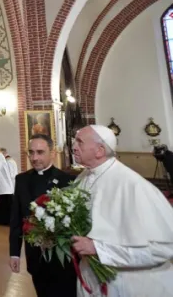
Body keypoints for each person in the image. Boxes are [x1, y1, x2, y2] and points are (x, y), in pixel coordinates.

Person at [71, 125, 173, 296]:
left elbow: (163, 248)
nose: (73, 146)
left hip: (130, 284)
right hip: (92, 278)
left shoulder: (133, 185)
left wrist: (99, 249)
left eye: (79, 142)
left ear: (100, 150)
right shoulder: (83, 178)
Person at [9, 134, 76, 297]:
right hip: (34, 256)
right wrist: (14, 253)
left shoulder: (67, 180)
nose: (34, 157)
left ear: (52, 153)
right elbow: (16, 219)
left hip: (62, 259)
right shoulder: (21, 180)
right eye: (31, 152)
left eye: (40, 152)